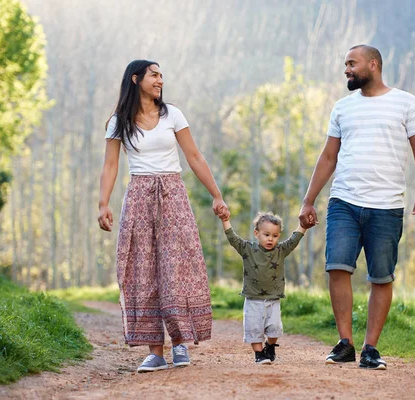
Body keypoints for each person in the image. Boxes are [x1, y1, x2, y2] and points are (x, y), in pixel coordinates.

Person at [298, 45, 415, 370]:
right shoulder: (343, 108)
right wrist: (309, 199)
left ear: (373, 64)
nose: (346, 69)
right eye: (345, 64)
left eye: (352, 64)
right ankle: (345, 343)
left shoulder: (405, 103)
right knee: (337, 267)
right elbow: (328, 156)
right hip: (344, 201)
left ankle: (371, 348)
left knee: (381, 277)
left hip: (387, 206)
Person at [97, 59, 229, 373]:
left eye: (161, 76)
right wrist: (103, 204)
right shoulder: (119, 121)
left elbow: (194, 156)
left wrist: (216, 195)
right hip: (139, 197)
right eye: (154, 75)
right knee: (143, 273)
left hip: (173, 196)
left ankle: (180, 344)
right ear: (135, 79)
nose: (160, 80)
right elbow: (111, 166)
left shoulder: (173, 114)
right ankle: (155, 352)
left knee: (176, 269)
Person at [220, 211, 307, 364]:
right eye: (266, 234)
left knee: (274, 328)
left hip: (273, 299)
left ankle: (270, 346)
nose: (270, 239)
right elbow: (233, 239)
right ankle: (259, 354)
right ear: (257, 233)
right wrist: (225, 220)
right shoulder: (248, 249)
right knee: (254, 329)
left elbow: (294, 240)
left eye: (275, 236)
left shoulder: (280, 251)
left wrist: (303, 227)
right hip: (253, 299)